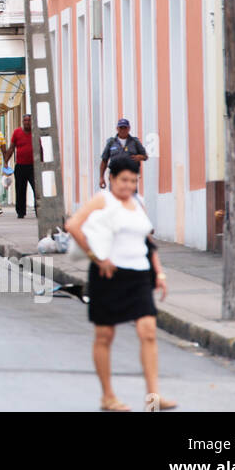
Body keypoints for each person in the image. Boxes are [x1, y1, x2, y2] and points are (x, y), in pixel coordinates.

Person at [65, 155, 174, 412]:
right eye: (124, 180)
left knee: (148, 331)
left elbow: (148, 242)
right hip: (108, 277)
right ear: (111, 178)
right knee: (105, 335)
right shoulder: (103, 200)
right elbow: (73, 225)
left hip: (138, 276)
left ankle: (153, 397)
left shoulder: (138, 203)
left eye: (133, 181)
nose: (128, 186)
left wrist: (159, 274)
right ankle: (108, 396)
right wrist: (97, 258)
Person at [99, 118, 148, 190]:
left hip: (130, 178)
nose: (123, 130)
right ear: (117, 128)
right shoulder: (111, 142)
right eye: (121, 127)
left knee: (130, 200)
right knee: (115, 200)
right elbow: (104, 160)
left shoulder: (135, 142)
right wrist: (101, 178)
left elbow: (145, 156)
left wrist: (140, 157)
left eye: (125, 127)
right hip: (115, 178)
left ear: (129, 128)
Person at [7, 113, 37, 219]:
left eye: (29, 120)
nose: (27, 122)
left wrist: (41, 162)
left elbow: (40, 148)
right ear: (22, 122)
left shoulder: (35, 132)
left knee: (37, 189)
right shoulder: (17, 132)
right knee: (20, 190)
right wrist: (6, 162)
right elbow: (11, 148)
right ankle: (20, 211)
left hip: (33, 166)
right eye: (25, 120)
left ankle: (39, 210)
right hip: (20, 166)